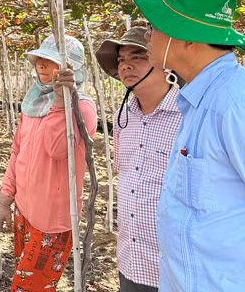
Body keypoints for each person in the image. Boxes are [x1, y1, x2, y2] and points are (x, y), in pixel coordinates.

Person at [132, 0, 245, 292]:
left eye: (154, 26)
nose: (147, 36)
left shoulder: (239, 104)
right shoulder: (199, 101)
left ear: (187, 38)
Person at [0, 34, 97, 292]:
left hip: (52, 224)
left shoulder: (81, 107)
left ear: (70, 69)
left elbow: (57, 149)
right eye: (40, 59)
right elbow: (18, 152)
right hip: (25, 212)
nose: (42, 65)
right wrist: (5, 201)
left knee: (27, 288)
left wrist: (62, 102)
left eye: (51, 61)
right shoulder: (32, 102)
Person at [95, 27, 181, 292]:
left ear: (164, 64)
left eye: (138, 56)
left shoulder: (190, 116)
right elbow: (127, 174)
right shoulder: (124, 119)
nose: (126, 65)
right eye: (121, 60)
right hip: (131, 261)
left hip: (176, 268)